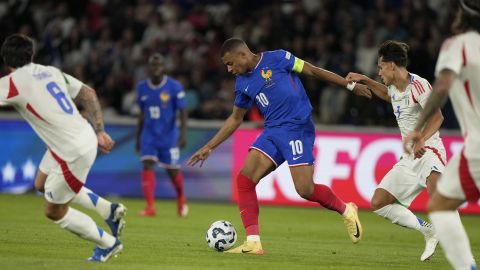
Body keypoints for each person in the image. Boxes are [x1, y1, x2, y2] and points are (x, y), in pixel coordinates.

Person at [188, 38, 372, 254]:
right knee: (245, 179)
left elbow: (313, 71)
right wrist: (210, 146)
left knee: (305, 190)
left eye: (230, 63)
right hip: (272, 131)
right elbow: (236, 118)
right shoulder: (242, 83)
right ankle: (253, 242)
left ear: (242, 55)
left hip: (297, 128)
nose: (229, 69)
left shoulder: (278, 58)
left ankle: (347, 210)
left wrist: (350, 86)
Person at [0, 34, 123, 262]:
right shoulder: (50, 71)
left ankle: (108, 243)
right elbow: (88, 93)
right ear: (31, 54)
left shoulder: (11, 83)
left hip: (72, 152)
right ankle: (109, 210)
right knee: (40, 184)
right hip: (79, 136)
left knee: (53, 211)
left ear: (6, 62)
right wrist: (100, 131)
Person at [346, 40, 446, 261]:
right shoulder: (394, 88)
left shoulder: (419, 86)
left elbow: (438, 117)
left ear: (391, 65)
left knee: (439, 202)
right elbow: (387, 94)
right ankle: (428, 230)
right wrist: (364, 79)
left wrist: (420, 139)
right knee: (379, 202)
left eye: (381, 67)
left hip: (428, 151)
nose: (379, 71)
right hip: (410, 158)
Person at [404, 1, 480, 269]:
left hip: (477, 148)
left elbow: (442, 86)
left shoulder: (456, 45)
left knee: (439, 206)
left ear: (463, 17)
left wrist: (418, 128)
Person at [135, 53, 188, 217]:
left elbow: (183, 110)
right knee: (147, 164)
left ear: (163, 67)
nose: (156, 68)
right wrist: (138, 137)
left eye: (159, 65)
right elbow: (142, 114)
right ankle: (150, 207)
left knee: (172, 172)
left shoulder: (174, 86)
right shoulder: (142, 87)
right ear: (148, 68)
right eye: (152, 65)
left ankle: (181, 198)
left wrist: (183, 133)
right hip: (149, 135)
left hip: (169, 135)